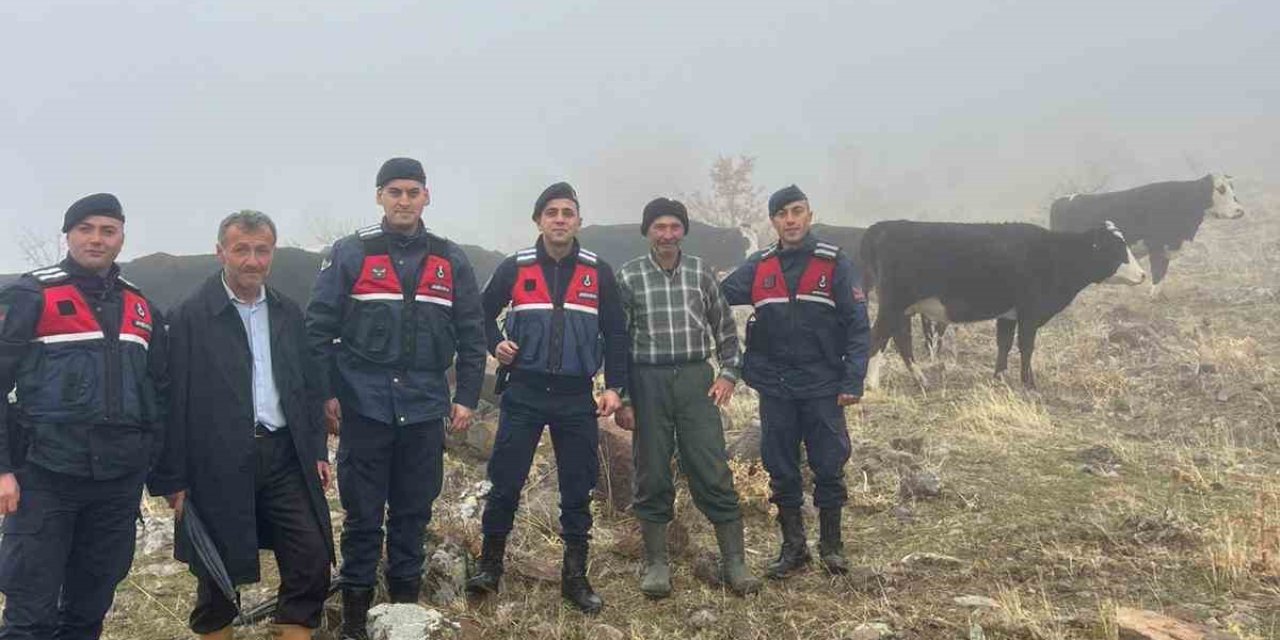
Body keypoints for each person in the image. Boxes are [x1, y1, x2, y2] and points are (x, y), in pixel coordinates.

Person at [305, 158, 487, 640]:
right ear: (379, 197)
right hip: (363, 405)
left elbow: (473, 332)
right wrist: (324, 392)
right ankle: (354, 621)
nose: (403, 200)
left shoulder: (451, 259)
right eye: (394, 192)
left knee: (413, 513)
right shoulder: (351, 252)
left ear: (427, 196)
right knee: (363, 517)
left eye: (412, 191)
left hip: (427, 405)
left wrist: (467, 395)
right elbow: (318, 328)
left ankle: (405, 615)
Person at [150, 211, 333, 640]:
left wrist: (317, 451)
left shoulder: (288, 312)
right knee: (217, 569)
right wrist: (172, 477)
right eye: (242, 250)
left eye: (261, 250)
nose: (252, 260)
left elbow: (306, 389)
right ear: (221, 253)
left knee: (311, 556)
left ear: (272, 253)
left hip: (284, 453)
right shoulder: (189, 316)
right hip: (215, 458)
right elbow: (170, 402)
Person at [0, 193, 168, 639]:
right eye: (86, 229)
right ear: (68, 235)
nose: (97, 239)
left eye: (108, 231)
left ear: (121, 238)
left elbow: (158, 394)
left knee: (88, 609)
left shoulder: (140, 306)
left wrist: (155, 466)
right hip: (45, 477)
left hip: (116, 484)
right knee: (30, 612)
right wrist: (2, 469)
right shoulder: (30, 294)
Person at [465, 182, 628, 614]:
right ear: (538, 220)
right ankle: (490, 567)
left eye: (568, 212)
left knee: (577, 488)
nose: (559, 219)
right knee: (505, 482)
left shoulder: (598, 271)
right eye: (551, 212)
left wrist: (614, 387)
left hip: (577, 397)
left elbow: (616, 332)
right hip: (524, 391)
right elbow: (479, 312)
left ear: (578, 221)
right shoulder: (515, 267)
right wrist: (494, 343)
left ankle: (575, 578)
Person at [613, 197, 761, 598]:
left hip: (696, 380)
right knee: (652, 470)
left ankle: (734, 562)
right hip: (648, 382)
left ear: (684, 231)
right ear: (647, 231)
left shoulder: (701, 274)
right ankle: (657, 563)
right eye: (659, 227)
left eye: (674, 227)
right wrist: (625, 398)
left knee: (711, 466)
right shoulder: (628, 277)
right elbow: (618, 342)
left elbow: (726, 331)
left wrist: (729, 374)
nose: (667, 235)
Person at [719, 185, 870, 578]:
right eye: (782, 214)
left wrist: (853, 380)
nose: (790, 220)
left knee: (828, 463)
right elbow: (715, 297)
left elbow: (857, 326)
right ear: (773, 222)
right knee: (780, 466)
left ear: (809, 215)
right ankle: (793, 548)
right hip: (775, 385)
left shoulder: (835, 263)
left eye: (797, 211)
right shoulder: (759, 265)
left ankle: (832, 547)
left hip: (823, 384)